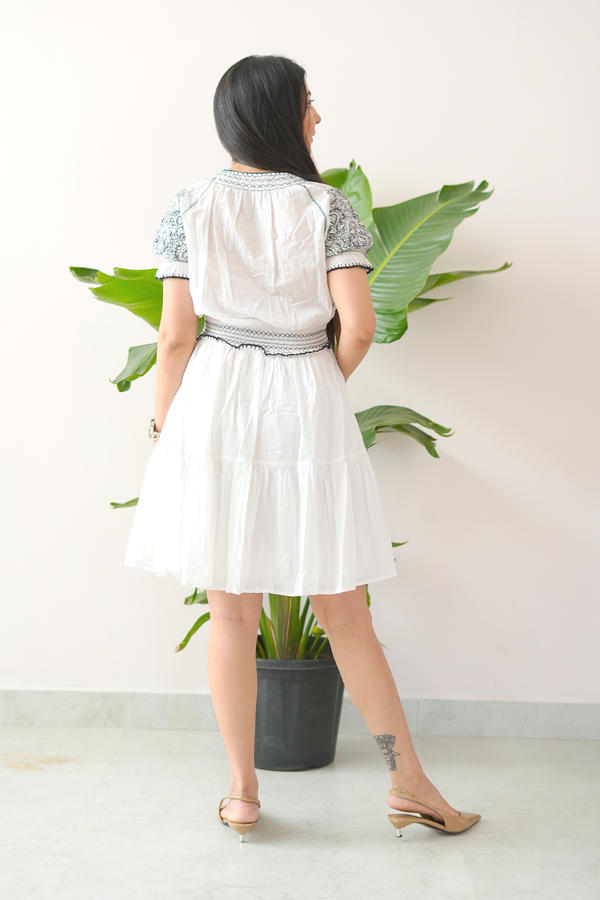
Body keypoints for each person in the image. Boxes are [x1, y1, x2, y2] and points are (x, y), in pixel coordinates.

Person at [124, 54, 481, 842]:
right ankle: (408, 782)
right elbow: (357, 326)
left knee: (229, 610)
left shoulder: (188, 205)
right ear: (280, 114)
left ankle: (242, 791)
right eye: (309, 103)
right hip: (302, 399)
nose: (318, 117)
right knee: (346, 612)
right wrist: (317, 382)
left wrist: (163, 431)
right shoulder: (330, 208)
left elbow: (176, 338)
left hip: (212, 400)